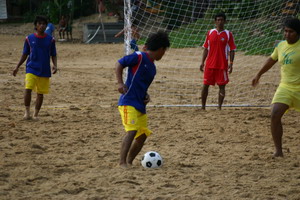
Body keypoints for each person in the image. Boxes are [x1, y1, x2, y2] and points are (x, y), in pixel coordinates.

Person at [115, 31, 170, 168]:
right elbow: (119, 64)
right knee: (132, 130)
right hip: (128, 102)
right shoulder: (139, 56)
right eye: (164, 51)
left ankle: (129, 161)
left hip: (140, 104)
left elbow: (142, 85)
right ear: (161, 49)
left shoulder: (153, 68)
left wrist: (146, 95)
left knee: (142, 136)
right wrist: (120, 83)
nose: (164, 54)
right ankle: (122, 162)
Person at [252, 18, 300, 157]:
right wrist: (258, 75)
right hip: (285, 87)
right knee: (274, 114)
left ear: (297, 33)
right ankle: (278, 151)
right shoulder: (281, 46)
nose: (287, 34)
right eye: (285, 31)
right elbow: (271, 60)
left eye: (290, 32)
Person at [12, 15, 57, 120]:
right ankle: (27, 113)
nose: (42, 26)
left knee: (40, 94)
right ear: (36, 25)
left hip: (44, 70)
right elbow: (25, 54)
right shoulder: (29, 38)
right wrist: (17, 66)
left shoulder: (50, 40)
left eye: (44, 24)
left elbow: (53, 54)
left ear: (46, 26)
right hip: (31, 68)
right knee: (28, 89)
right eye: (39, 24)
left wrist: (55, 65)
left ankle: (35, 114)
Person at [200, 13, 236, 110]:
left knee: (222, 86)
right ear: (215, 21)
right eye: (218, 20)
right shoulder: (210, 32)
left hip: (222, 65)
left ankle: (219, 108)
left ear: (225, 21)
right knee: (205, 85)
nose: (220, 22)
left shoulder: (228, 34)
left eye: (222, 20)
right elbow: (206, 48)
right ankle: (203, 107)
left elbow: (232, 49)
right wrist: (202, 62)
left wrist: (231, 63)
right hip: (209, 65)